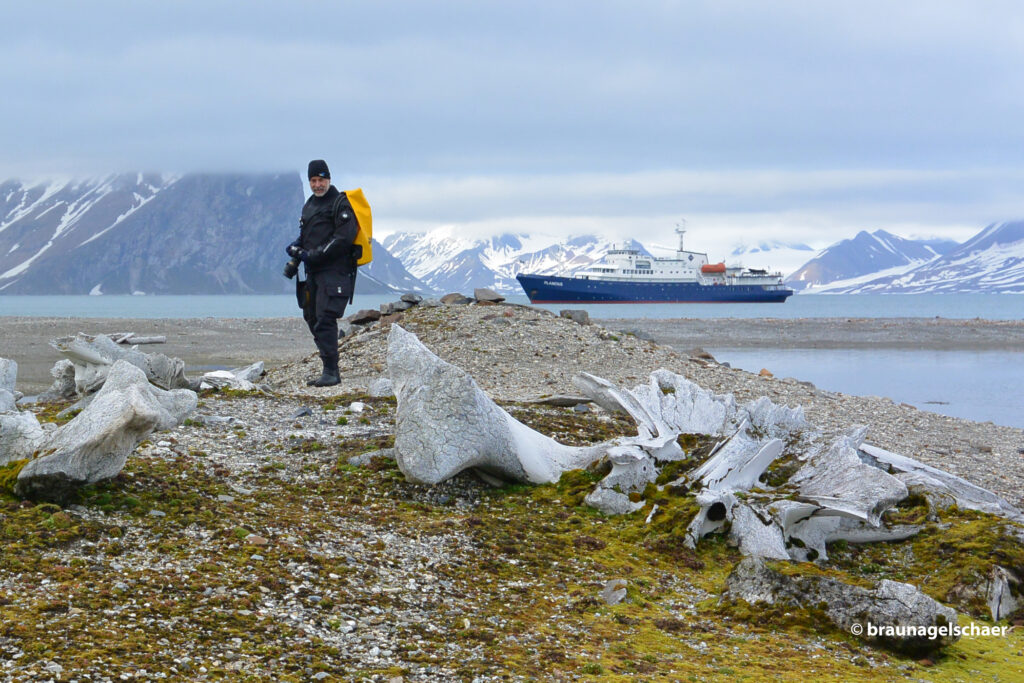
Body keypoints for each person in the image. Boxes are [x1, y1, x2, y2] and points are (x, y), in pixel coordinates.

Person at [285, 159, 360, 387]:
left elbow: (343, 239)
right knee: (313, 318)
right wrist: (296, 250)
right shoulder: (309, 205)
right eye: (313, 180)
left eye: (321, 180)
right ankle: (327, 370)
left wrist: (314, 255)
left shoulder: (340, 204)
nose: (317, 185)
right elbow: (307, 236)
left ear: (329, 179)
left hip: (335, 273)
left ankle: (332, 372)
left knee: (325, 320)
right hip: (314, 274)